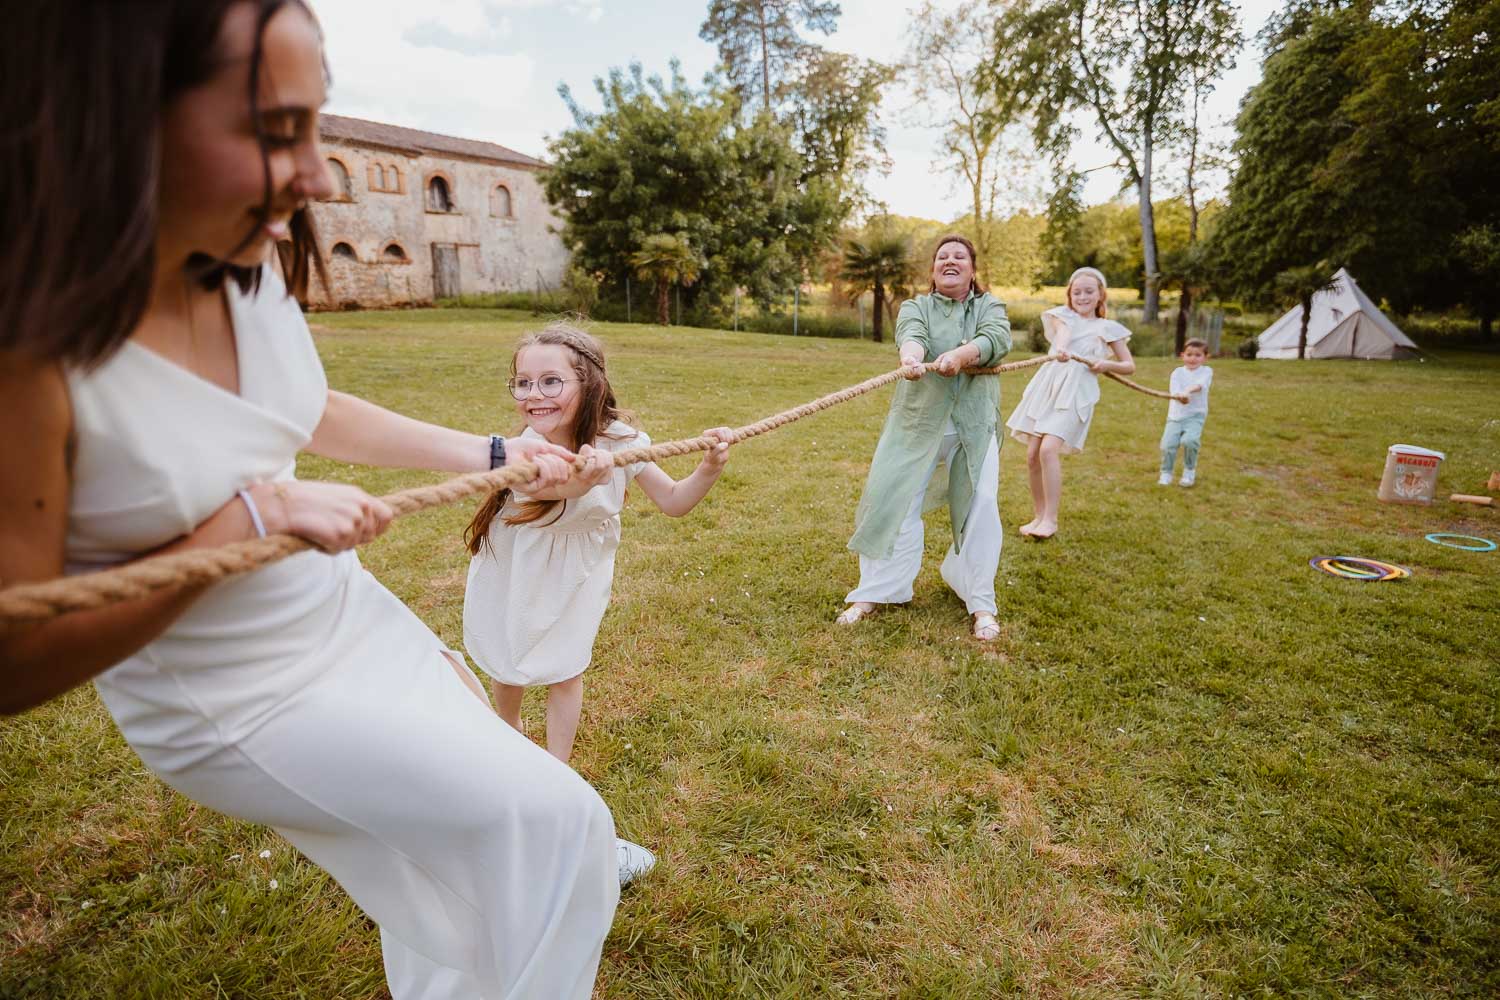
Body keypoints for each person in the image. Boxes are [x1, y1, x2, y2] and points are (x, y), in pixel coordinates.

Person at [0, 4, 618, 997]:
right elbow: (13, 657)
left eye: (316, 125)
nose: (319, 172)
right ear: (122, 115)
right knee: (560, 828)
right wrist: (248, 523)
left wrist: (501, 451)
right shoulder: (30, 348)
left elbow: (310, 404)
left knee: (490, 843)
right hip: (230, 692)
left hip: (342, 616)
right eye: (273, 129)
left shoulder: (243, 264)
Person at [463, 324, 732, 773]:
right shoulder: (527, 451)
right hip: (521, 566)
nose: (534, 394)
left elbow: (673, 501)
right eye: (523, 383)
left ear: (589, 382)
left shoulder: (622, 443)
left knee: (568, 665)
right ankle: (507, 736)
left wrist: (708, 467)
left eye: (551, 381)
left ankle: (557, 770)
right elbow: (560, 487)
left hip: (580, 572)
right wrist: (587, 476)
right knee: (509, 659)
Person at [836, 235, 1012, 642]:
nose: (950, 261)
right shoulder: (917, 306)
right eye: (942, 257)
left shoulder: (989, 306)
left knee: (981, 504)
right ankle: (877, 592)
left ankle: (981, 601)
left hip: (973, 424)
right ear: (934, 270)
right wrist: (911, 358)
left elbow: (997, 339)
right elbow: (911, 334)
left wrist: (960, 356)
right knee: (890, 497)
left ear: (972, 268)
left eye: (959, 256)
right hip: (917, 422)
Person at [1005, 267, 1136, 539]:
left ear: (1101, 295)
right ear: (1069, 295)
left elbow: (1128, 366)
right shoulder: (1063, 317)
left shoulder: (1108, 328)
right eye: (1077, 292)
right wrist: (1062, 350)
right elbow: (1064, 335)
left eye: (1089, 291)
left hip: (1076, 393)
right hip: (1049, 387)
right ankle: (1039, 515)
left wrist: (1106, 364)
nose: (1082, 296)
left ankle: (1051, 519)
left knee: (1048, 450)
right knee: (1032, 455)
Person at [1158, 338, 1214, 487]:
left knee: (1190, 441)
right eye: (1189, 354)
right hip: (1175, 416)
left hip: (1195, 415)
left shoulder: (1206, 371)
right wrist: (1180, 396)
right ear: (1182, 355)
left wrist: (1187, 392)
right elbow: (1175, 392)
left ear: (1205, 357)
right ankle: (1166, 473)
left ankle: (1189, 472)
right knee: (1167, 445)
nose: (1193, 358)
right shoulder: (1176, 373)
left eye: (1197, 355)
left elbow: (1199, 385)